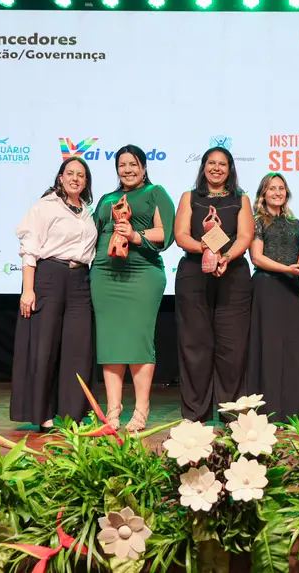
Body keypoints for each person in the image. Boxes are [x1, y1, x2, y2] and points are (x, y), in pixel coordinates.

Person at [90, 144, 175, 432]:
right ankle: (112, 411)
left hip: (142, 274)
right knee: (110, 341)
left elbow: (165, 233)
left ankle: (141, 408)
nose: (127, 170)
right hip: (104, 274)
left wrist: (135, 235)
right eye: (122, 165)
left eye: (133, 164)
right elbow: (93, 232)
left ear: (144, 167)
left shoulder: (155, 193)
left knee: (139, 341)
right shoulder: (107, 198)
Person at [11, 157, 97, 430]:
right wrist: (28, 290)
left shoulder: (87, 211)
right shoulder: (46, 206)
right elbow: (29, 249)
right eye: (70, 173)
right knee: (45, 348)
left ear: (86, 181)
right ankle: (43, 414)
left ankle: (74, 414)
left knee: (78, 348)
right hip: (50, 276)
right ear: (60, 177)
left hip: (80, 280)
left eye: (80, 175)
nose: (75, 179)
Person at [174, 146, 254, 422]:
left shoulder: (241, 199)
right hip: (194, 275)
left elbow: (245, 236)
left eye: (222, 164)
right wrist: (206, 250)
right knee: (194, 346)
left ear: (230, 169)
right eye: (211, 163)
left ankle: (232, 416)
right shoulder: (190, 197)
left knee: (232, 348)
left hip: (233, 275)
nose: (216, 168)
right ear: (203, 167)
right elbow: (181, 234)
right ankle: (194, 414)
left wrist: (226, 257)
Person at [245, 173, 299, 423]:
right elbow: (257, 257)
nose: (277, 192)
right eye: (272, 188)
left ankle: (294, 410)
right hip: (267, 288)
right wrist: (288, 269)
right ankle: (269, 409)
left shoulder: (295, 224)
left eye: (281, 188)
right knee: (270, 347)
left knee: (293, 349)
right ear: (263, 194)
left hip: (292, 289)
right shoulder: (257, 221)